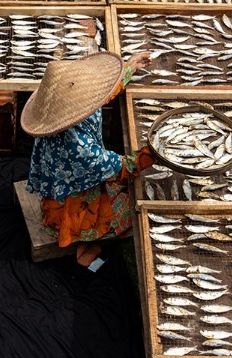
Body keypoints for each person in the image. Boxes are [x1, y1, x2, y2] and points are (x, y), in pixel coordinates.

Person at [21, 51, 156, 267]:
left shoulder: (56, 111)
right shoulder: (79, 148)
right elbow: (121, 166)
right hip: (72, 194)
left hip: (61, 178)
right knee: (124, 212)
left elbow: (103, 94)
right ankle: (80, 235)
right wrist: (152, 153)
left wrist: (130, 67)